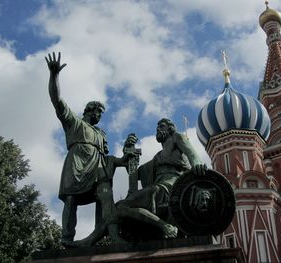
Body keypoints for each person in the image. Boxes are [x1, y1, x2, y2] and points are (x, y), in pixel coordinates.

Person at [46, 52, 134, 246]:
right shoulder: (74, 122)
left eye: (102, 113)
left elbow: (109, 159)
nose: (100, 115)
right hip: (76, 165)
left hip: (98, 169)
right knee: (71, 200)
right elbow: (57, 101)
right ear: (88, 110)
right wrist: (54, 76)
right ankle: (67, 238)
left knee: (106, 197)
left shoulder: (101, 134)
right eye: (98, 111)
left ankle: (109, 236)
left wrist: (126, 155)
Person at [117, 118, 207, 239]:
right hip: (158, 189)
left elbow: (191, 153)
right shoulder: (157, 157)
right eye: (157, 128)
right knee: (120, 207)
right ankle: (164, 226)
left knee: (122, 206)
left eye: (162, 126)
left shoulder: (176, 137)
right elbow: (135, 175)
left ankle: (165, 227)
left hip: (171, 187)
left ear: (170, 129)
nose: (158, 129)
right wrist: (128, 153)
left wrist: (197, 164)